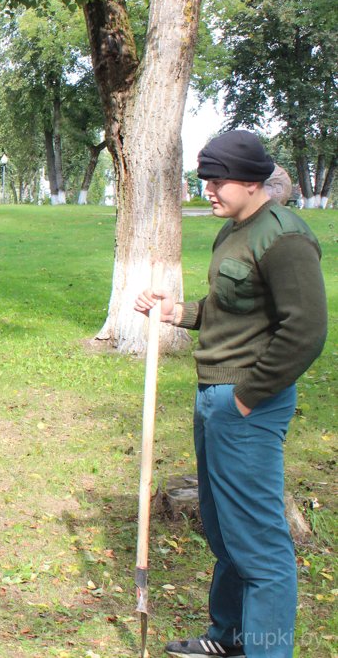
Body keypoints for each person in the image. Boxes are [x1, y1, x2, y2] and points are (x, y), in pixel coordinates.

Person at [135, 130, 327, 658]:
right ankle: (230, 638)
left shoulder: (284, 238)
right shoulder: (233, 231)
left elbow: (306, 330)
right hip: (215, 400)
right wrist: (179, 313)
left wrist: (247, 397)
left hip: (247, 406)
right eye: (204, 180)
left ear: (249, 181)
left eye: (216, 181)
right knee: (224, 533)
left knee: (260, 546)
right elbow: (229, 306)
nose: (208, 190)